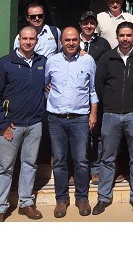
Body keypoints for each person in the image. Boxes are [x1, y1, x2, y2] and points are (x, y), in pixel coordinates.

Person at [0, 26, 47, 221]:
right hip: (10, 126)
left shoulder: (42, 62)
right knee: (5, 167)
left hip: (34, 124)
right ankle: (0, 207)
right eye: (24, 38)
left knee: (29, 165)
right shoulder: (4, 64)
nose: (28, 42)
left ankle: (26, 203)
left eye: (32, 39)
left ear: (37, 41)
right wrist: (2, 123)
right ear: (19, 40)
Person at [94, 22, 133, 215]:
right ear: (117, 36)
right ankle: (103, 197)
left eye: (128, 35)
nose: (125, 39)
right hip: (110, 115)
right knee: (107, 158)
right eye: (122, 35)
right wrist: (108, 105)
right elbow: (99, 85)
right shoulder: (107, 58)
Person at [44, 27, 99, 218]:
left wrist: (93, 114)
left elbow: (93, 90)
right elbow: (44, 84)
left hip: (80, 118)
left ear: (79, 41)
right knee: (59, 160)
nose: (71, 43)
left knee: (81, 160)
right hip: (56, 119)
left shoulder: (88, 60)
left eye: (74, 39)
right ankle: (61, 199)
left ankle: (82, 198)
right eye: (67, 40)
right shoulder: (52, 61)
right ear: (61, 42)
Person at [77, 11, 111, 184]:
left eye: (92, 23)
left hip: (97, 93)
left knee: (96, 132)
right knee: (78, 133)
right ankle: (78, 168)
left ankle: (96, 168)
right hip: (77, 95)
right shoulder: (72, 41)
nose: (89, 26)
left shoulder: (103, 44)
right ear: (80, 24)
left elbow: (109, 67)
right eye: (85, 23)